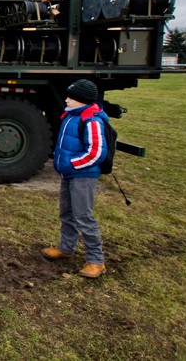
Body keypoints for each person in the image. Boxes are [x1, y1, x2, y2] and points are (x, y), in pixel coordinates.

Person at [42, 79, 109, 279]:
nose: (67, 99)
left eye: (71, 97)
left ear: (83, 100)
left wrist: (72, 164)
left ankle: (96, 261)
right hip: (69, 174)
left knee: (84, 217)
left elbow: (96, 152)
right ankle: (66, 248)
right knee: (67, 212)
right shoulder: (71, 116)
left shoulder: (91, 120)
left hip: (82, 176)